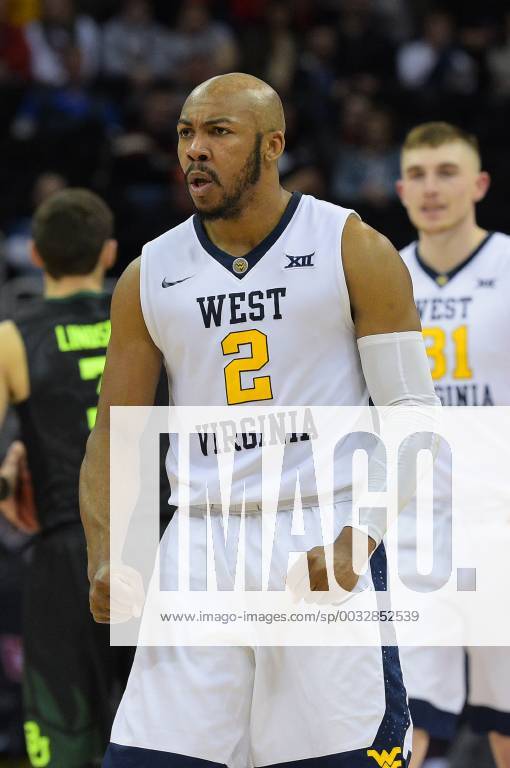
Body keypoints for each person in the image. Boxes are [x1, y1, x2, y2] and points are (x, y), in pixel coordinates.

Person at [80, 73, 439, 768]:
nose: (195, 151)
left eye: (219, 132)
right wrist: (107, 553)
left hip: (319, 531)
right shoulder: (148, 273)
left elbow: (414, 415)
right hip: (200, 541)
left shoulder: (352, 246)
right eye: (186, 133)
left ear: (271, 145)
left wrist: (359, 534)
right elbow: (114, 436)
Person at [396, 121, 510, 768]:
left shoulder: (507, 266)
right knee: (403, 723)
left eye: (446, 172)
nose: (431, 188)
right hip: (418, 530)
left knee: (505, 724)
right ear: (400, 189)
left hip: (499, 521)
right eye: (417, 174)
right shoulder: (383, 279)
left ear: (480, 183)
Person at [0, 188, 125, 767]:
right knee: (168, 740)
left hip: (65, 550)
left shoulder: (12, 335)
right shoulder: (146, 316)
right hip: (158, 543)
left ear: (37, 255)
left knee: (65, 741)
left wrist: (8, 482)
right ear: (109, 253)